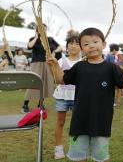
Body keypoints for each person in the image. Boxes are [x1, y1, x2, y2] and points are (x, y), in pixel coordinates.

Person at [47, 27, 123, 162]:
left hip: (102, 121)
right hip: (79, 121)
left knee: (100, 157)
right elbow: (62, 80)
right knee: (77, 157)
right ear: (82, 48)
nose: (91, 46)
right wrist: (54, 65)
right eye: (86, 44)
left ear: (103, 44)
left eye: (95, 42)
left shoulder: (111, 67)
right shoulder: (79, 67)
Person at [21, 24, 62, 113]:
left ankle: (40, 104)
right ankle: (25, 104)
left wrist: (54, 51)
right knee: (33, 83)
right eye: (41, 29)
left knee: (45, 84)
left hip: (48, 63)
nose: (43, 31)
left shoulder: (50, 39)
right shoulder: (33, 39)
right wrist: (36, 37)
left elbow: (60, 47)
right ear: (37, 30)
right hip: (37, 63)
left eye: (45, 29)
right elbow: (29, 46)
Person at [53, 32, 81, 160]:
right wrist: (51, 66)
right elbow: (55, 78)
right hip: (62, 96)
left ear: (81, 46)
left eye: (77, 43)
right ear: (67, 46)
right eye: (71, 43)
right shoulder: (60, 60)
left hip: (78, 97)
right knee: (60, 122)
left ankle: (75, 149)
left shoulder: (84, 62)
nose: (74, 46)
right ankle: (58, 148)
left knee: (77, 124)